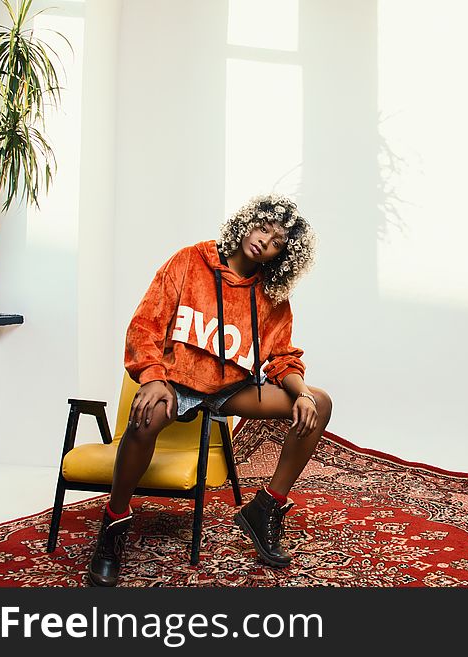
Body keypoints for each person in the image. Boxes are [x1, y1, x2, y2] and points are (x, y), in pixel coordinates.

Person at [88, 193, 333, 586]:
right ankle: (114, 524)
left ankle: (265, 508)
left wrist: (301, 391)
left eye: (277, 242)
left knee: (319, 403)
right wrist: (153, 377)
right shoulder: (190, 260)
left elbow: (284, 355)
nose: (265, 241)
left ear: (282, 255)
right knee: (144, 419)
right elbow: (144, 326)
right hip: (177, 379)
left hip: (230, 386)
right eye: (263, 227)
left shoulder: (272, 295)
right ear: (248, 221)